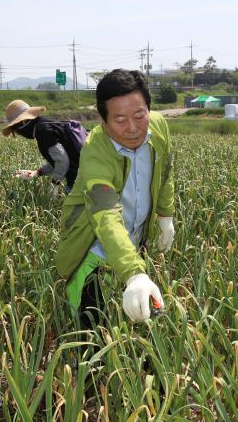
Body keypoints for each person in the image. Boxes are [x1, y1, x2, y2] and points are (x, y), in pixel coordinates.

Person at [56, 69, 175, 326]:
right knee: (93, 335)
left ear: (149, 109)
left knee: (149, 330)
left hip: (134, 247)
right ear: (103, 119)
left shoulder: (159, 127)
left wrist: (165, 214)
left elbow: (165, 170)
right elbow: (105, 215)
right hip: (93, 252)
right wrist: (134, 274)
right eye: (119, 119)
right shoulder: (96, 151)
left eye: (139, 115)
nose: (132, 128)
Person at [3, 100, 86, 192]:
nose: (18, 133)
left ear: (23, 122)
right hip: (86, 172)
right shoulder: (44, 123)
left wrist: (54, 183)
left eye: (16, 130)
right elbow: (58, 159)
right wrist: (37, 172)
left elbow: (62, 160)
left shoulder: (43, 131)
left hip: (82, 179)